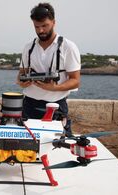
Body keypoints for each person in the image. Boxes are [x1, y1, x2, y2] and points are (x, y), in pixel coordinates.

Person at [16, 2, 81, 137]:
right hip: (29, 106)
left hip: (56, 106)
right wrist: (22, 82)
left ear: (53, 22)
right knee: (28, 147)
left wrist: (53, 88)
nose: (40, 31)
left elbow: (75, 81)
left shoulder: (68, 47)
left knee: (59, 145)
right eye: (37, 27)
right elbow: (20, 75)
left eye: (44, 26)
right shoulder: (28, 47)